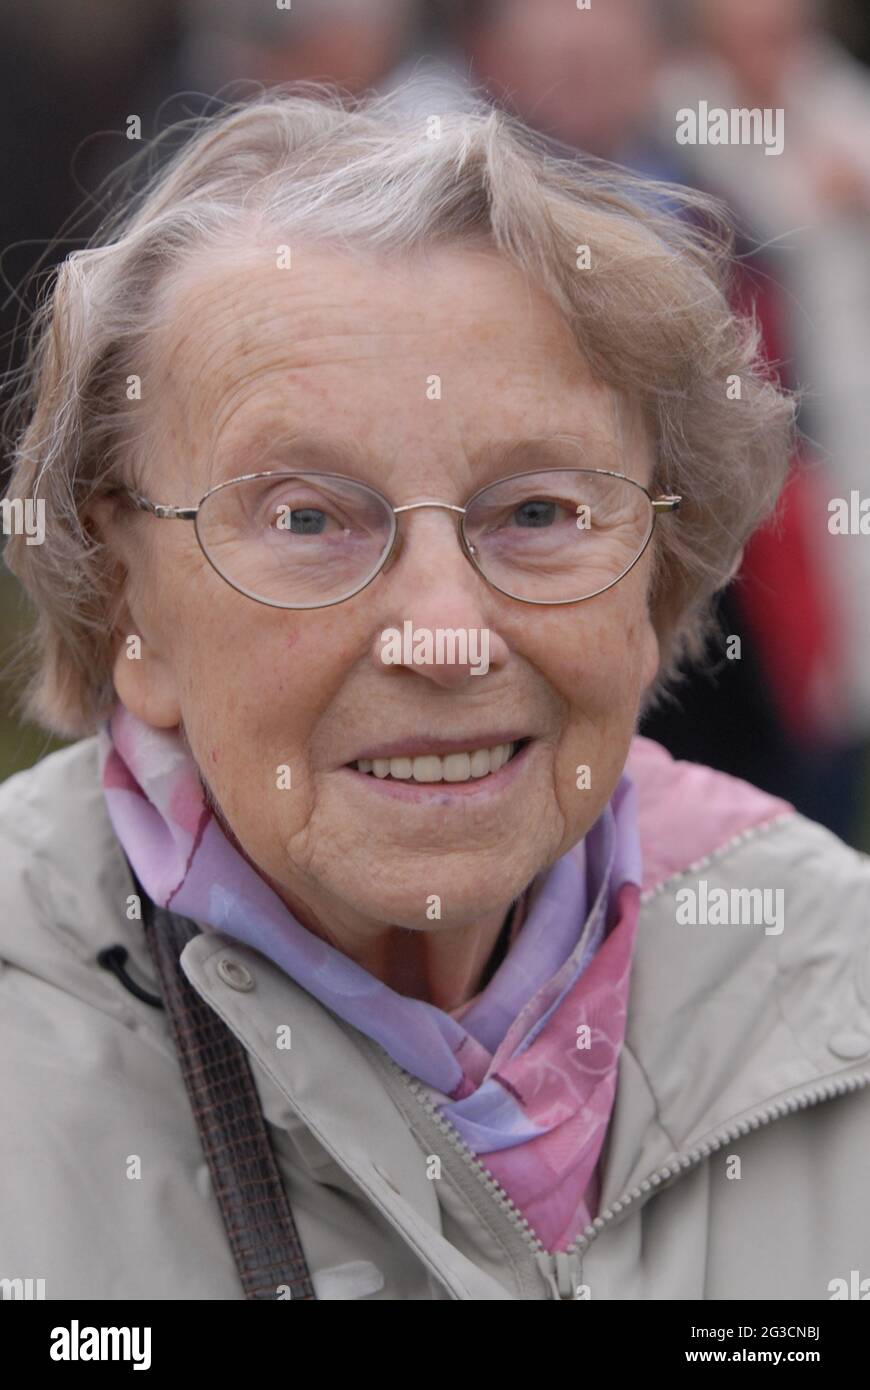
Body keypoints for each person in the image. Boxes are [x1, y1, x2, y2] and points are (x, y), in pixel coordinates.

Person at [2, 82, 869, 1302]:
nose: (445, 635)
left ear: (655, 580)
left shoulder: (839, 979)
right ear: (125, 599)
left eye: (537, 513)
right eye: (306, 517)